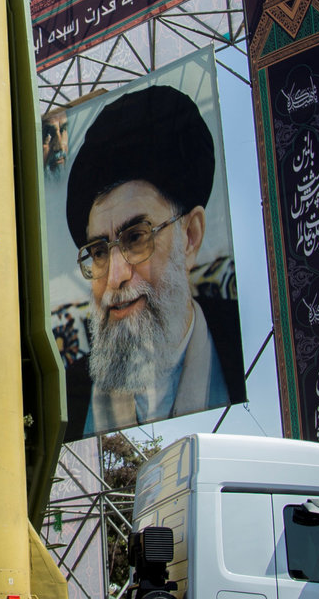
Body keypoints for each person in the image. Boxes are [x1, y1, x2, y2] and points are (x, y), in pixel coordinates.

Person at [63, 84, 244, 437]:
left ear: (190, 236)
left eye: (135, 238)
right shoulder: (67, 397)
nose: (115, 276)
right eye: (99, 251)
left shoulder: (241, 357)